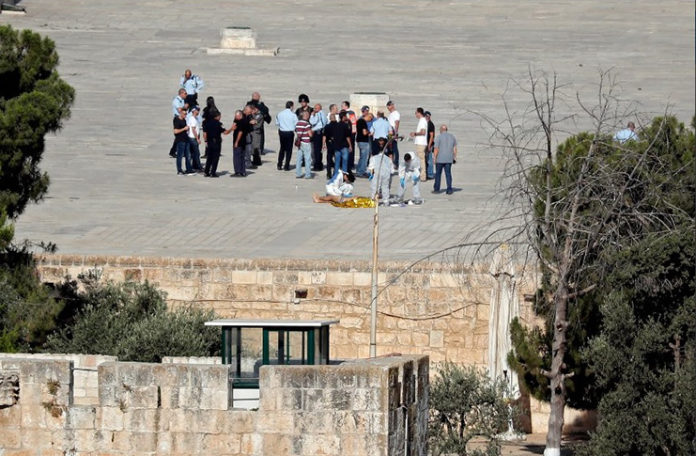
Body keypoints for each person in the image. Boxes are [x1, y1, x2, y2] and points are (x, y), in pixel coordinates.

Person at [325, 112, 352, 180]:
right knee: (344, 161)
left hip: (337, 146)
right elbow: (347, 137)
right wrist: (350, 145)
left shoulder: (336, 125)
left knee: (337, 161)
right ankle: (344, 175)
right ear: (343, 117)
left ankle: (335, 175)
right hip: (344, 146)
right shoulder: (345, 125)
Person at [202, 109, 229, 177]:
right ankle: (213, 172)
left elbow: (204, 134)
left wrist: (206, 141)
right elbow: (225, 132)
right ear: (217, 116)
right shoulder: (219, 124)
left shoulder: (207, 123)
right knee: (215, 158)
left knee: (209, 158)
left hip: (209, 142)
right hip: (216, 142)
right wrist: (232, 128)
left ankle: (206, 172)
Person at [432, 124, 457, 195]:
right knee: (448, 174)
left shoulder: (438, 137)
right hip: (449, 159)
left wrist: (435, 158)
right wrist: (454, 157)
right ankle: (449, 189)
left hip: (440, 159)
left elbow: (436, 149)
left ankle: (437, 188)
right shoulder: (452, 137)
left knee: (438, 174)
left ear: (441, 130)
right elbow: (455, 148)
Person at [276, 101, 297, 170]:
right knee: (289, 149)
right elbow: (296, 124)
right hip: (289, 133)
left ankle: (279, 164)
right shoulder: (293, 115)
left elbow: (277, 123)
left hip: (282, 132)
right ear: (291, 106)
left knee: (282, 148)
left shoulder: (280, 114)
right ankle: (286, 165)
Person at [409, 107, 428, 180]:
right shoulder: (422, 120)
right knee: (420, 159)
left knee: (421, 159)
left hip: (421, 143)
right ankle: (421, 174)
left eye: (416, 113)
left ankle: (423, 176)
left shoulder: (422, 121)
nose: (415, 115)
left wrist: (415, 133)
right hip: (420, 142)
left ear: (419, 113)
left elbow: (423, 132)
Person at [173, 107, 192, 175]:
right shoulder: (177, 120)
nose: (185, 115)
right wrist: (184, 129)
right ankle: (179, 170)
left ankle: (188, 169)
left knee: (188, 155)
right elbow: (175, 131)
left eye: (186, 114)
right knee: (180, 156)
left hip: (186, 139)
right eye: (184, 114)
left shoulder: (184, 120)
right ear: (180, 113)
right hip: (180, 140)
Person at [295, 111, 313, 179]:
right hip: (306, 142)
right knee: (307, 158)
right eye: (308, 115)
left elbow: (297, 132)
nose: (309, 116)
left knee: (299, 158)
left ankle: (298, 173)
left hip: (300, 142)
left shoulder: (298, 123)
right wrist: (312, 132)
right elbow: (310, 134)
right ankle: (308, 174)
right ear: (305, 116)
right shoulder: (307, 124)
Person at [169, 88, 187, 157]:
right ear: (181, 93)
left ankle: (174, 151)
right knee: (178, 135)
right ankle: (173, 151)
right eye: (185, 93)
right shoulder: (176, 101)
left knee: (181, 135)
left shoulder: (182, 100)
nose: (186, 95)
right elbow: (179, 110)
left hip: (182, 118)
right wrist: (184, 107)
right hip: (178, 118)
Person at [310, 103, 328, 171]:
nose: (314, 109)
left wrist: (312, 115)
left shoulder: (318, 114)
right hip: (321, 132)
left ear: (319, 108)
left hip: (317, 133)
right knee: (319, 150)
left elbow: (313, 122)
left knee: (316, 150)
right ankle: (320, 164)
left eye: (315, 108)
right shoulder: (323, 113)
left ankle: (317, 166)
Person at [231, 110, 249, 176]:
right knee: (242, 157)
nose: (235, 117)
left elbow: (240, 132)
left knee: (237, 157)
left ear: (240, 115)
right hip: (244, 142)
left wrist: (236, 142)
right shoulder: (244, 121)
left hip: (239, 142)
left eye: (236, 116)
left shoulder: (240, 122)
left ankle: (238, 172)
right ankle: (243, 171)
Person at [342, 101, 357, 170]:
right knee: (352, 148)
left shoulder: (347, 113)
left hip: (348, 133)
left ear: (346, 106)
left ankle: (348, 163)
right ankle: (351, 163)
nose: (342, 106)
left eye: (343, 105)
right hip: (352, 133)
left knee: (348, 148)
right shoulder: (352, 113)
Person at [186, 105, 203, 172]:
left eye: (198, 110)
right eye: (197, 110)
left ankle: (194, 166)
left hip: (193, 138)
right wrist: (197, 138)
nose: (198, 111)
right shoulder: (193, 119)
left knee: (193, 153)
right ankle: (199, 167)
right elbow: (193, 130)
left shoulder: (194, 118)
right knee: (197, 153)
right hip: (193, 138)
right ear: (193, 111)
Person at [355, 112, 372, 177]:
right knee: (364, 157)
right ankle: (361, 171)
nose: (370, 120)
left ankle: (359, 170)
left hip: (359, 140)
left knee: (362, 157)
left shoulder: (359, 121)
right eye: (370, 119)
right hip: (364, 141)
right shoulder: (363, 122)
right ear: (369, 117)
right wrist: (369, 132)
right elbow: (364, 132)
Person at [386, 100, 401, 168]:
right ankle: (391, 161)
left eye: (388, 106)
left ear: (392, 105)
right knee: (390, 147)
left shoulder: (396, 113)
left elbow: (397, 123)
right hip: (389, 131)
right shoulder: (391, 114)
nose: (388, 108)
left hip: (393, 131)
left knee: (394, 147)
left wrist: (396, 132)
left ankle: (395, 162)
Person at [425, 111, 436, 179]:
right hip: (425, 144)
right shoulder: (425, 124)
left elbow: (432, 136)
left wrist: (429, 146)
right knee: (426, 159)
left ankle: (430, 174)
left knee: (429, 160)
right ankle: (427, 173)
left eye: (427, 116)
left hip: (429, 144)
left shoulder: (430, 124)